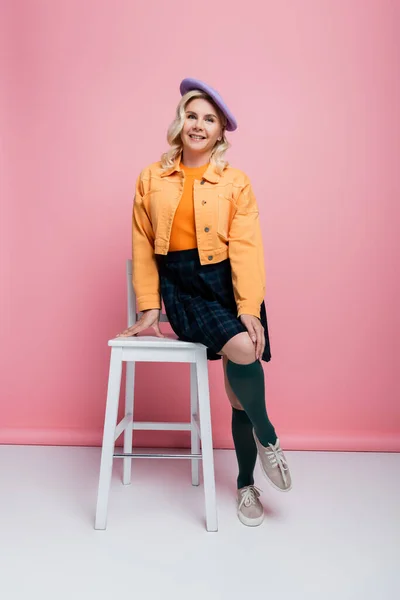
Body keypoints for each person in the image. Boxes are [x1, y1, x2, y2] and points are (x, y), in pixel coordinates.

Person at [117, 77, 292, 527]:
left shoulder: (236, 182)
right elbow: (142, 246)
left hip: (227, 281)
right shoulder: (150, 177)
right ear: (180, 122)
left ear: (220, 133)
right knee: (243, 350)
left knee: (238, 392)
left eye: (208, 119)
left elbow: (248, 246)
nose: (198, 125)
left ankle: (246, 486)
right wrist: (149, 307)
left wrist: (250, 306)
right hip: (183, 284)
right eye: (191, 115)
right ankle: (269, 435)